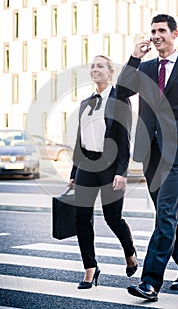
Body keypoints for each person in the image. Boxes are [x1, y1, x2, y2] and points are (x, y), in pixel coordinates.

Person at [116, 14, 178, 302]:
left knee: (166, 212)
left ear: (174, 34)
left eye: (161, 31)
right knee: (165, 212)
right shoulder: (144, 69)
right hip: (150, 151)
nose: (156, 35)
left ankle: (150, 282)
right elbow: (121, 91)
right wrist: (133, 58)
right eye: (153, 31)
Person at [68, 55, 138, 290]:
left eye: (100, 66)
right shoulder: (85, 103)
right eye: (92, 66)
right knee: (81, 218)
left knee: (112, 218)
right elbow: (81, 139)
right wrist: (73, 171)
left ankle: (129, 252)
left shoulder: (120, 99)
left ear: (110, 73)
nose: (95, 69)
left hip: (110, 167)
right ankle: (90, 268)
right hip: (86, 165)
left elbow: (124, 138)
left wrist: (122, 171)